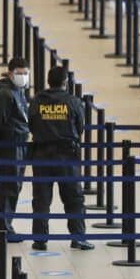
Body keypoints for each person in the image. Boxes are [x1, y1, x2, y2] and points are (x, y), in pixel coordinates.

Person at [28, 66, 93, 251]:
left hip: (41, 155)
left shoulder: (37, 101)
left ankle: (40, 239)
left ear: (48, 81)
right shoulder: (72, 102)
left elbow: (31, 125)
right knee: (74, 198)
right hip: (67, 156)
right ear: (65, 82)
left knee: (41, 199)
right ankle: (78, 237)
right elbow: (80, 127)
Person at [0, 57, 30, 238]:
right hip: (9, 145)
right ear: (10, 73)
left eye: (26, 74)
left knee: (14, 186)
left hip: (19, 143)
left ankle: (5, 224)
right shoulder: (5, 94)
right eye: (20, 73)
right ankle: (2, 227)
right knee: (8, 186)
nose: (24, 77)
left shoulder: (18, 91)